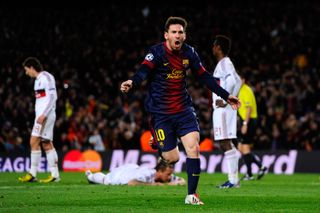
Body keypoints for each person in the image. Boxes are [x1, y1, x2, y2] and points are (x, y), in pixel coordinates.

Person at [120, 17, 240, 205]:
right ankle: (158, 139)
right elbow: (143, 70)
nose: (178, 35)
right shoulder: (156, 53)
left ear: (185, 35)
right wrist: (132, 82)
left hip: (183, 109)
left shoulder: (189, 53)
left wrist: (226, 95)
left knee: (193, 147)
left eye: (181, 32)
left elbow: (204, 77)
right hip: (160, 113)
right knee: (171, 157)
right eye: (174, 32)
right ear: (166, 35)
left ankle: (192, 195)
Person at [18, 57, 60, 183]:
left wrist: (44, 114)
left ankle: (33, 173)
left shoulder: (46, 77)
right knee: (45, 143)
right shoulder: (37, 81)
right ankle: (54, 175)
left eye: (26, 70)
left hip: (45, 116)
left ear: (32, 67)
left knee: (34, 141)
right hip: (41, 116)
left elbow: (53, 97)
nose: (26, 73)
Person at [211, 35, 242, 188]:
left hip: (223, 109)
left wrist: (225, 100)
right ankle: (234, 177)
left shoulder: (224, 63)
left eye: (214, 45)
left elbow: (231, 81)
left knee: (224, 142)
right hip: (225, 108)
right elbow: (239, 81)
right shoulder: (226, 63)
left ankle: (233, 180)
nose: (212, 48)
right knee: (226, 142)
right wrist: (233, 97)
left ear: (218, 47)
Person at [237, 72, 267, 180]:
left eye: (239, 79)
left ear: (243, 80)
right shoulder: (240, 90)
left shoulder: (246, 90)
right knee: (241, 147)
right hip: (246, 121)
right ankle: (254, 171)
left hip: (249, 121)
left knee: (244, 148)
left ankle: (257, 169)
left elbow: (249, 108)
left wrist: (245, 123)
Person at [85, 159, 186, 186]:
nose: (170, 177)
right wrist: (155, 185)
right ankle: (90, 176)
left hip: (133, 169)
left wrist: (171, 184)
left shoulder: (164, 176)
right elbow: (131, 183)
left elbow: (182, 181)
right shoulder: (148, 175)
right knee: (106, 179)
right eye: (168, 174)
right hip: (122, 175)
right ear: (159, 171)